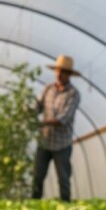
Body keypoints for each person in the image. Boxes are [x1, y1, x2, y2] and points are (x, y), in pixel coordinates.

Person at [32, 54, 81, 202]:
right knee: (37, 176)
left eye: (64, 72)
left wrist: (43, 123)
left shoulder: (73, 93)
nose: (59, 74)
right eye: (58, 70)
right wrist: (28, 111)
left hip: (62, 144)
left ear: (69, 75)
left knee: (63, 179)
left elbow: (64, 118)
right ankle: (34, 205)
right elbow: (37, 106)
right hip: (44, 141)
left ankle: (66, 206)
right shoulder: (48, 89)